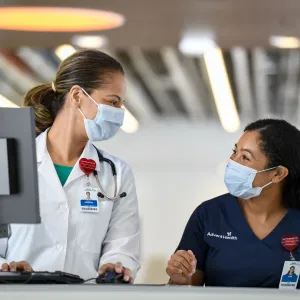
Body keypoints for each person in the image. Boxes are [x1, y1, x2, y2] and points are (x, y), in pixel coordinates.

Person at [0, 49, 140, 282]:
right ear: (77, 95)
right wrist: (7, 268)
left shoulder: (116, 173)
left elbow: (123, 245)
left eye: (120, 104)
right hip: (17, 294)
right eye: (112, 102)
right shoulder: (9, 160)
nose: (118, 113)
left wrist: (116, 266)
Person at [166, 119, 300, 288]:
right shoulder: (209, 214)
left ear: (278, 173)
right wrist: (181, 277)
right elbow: (186, 287)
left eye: (245, 157)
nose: (233, 161)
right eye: (234, 152)